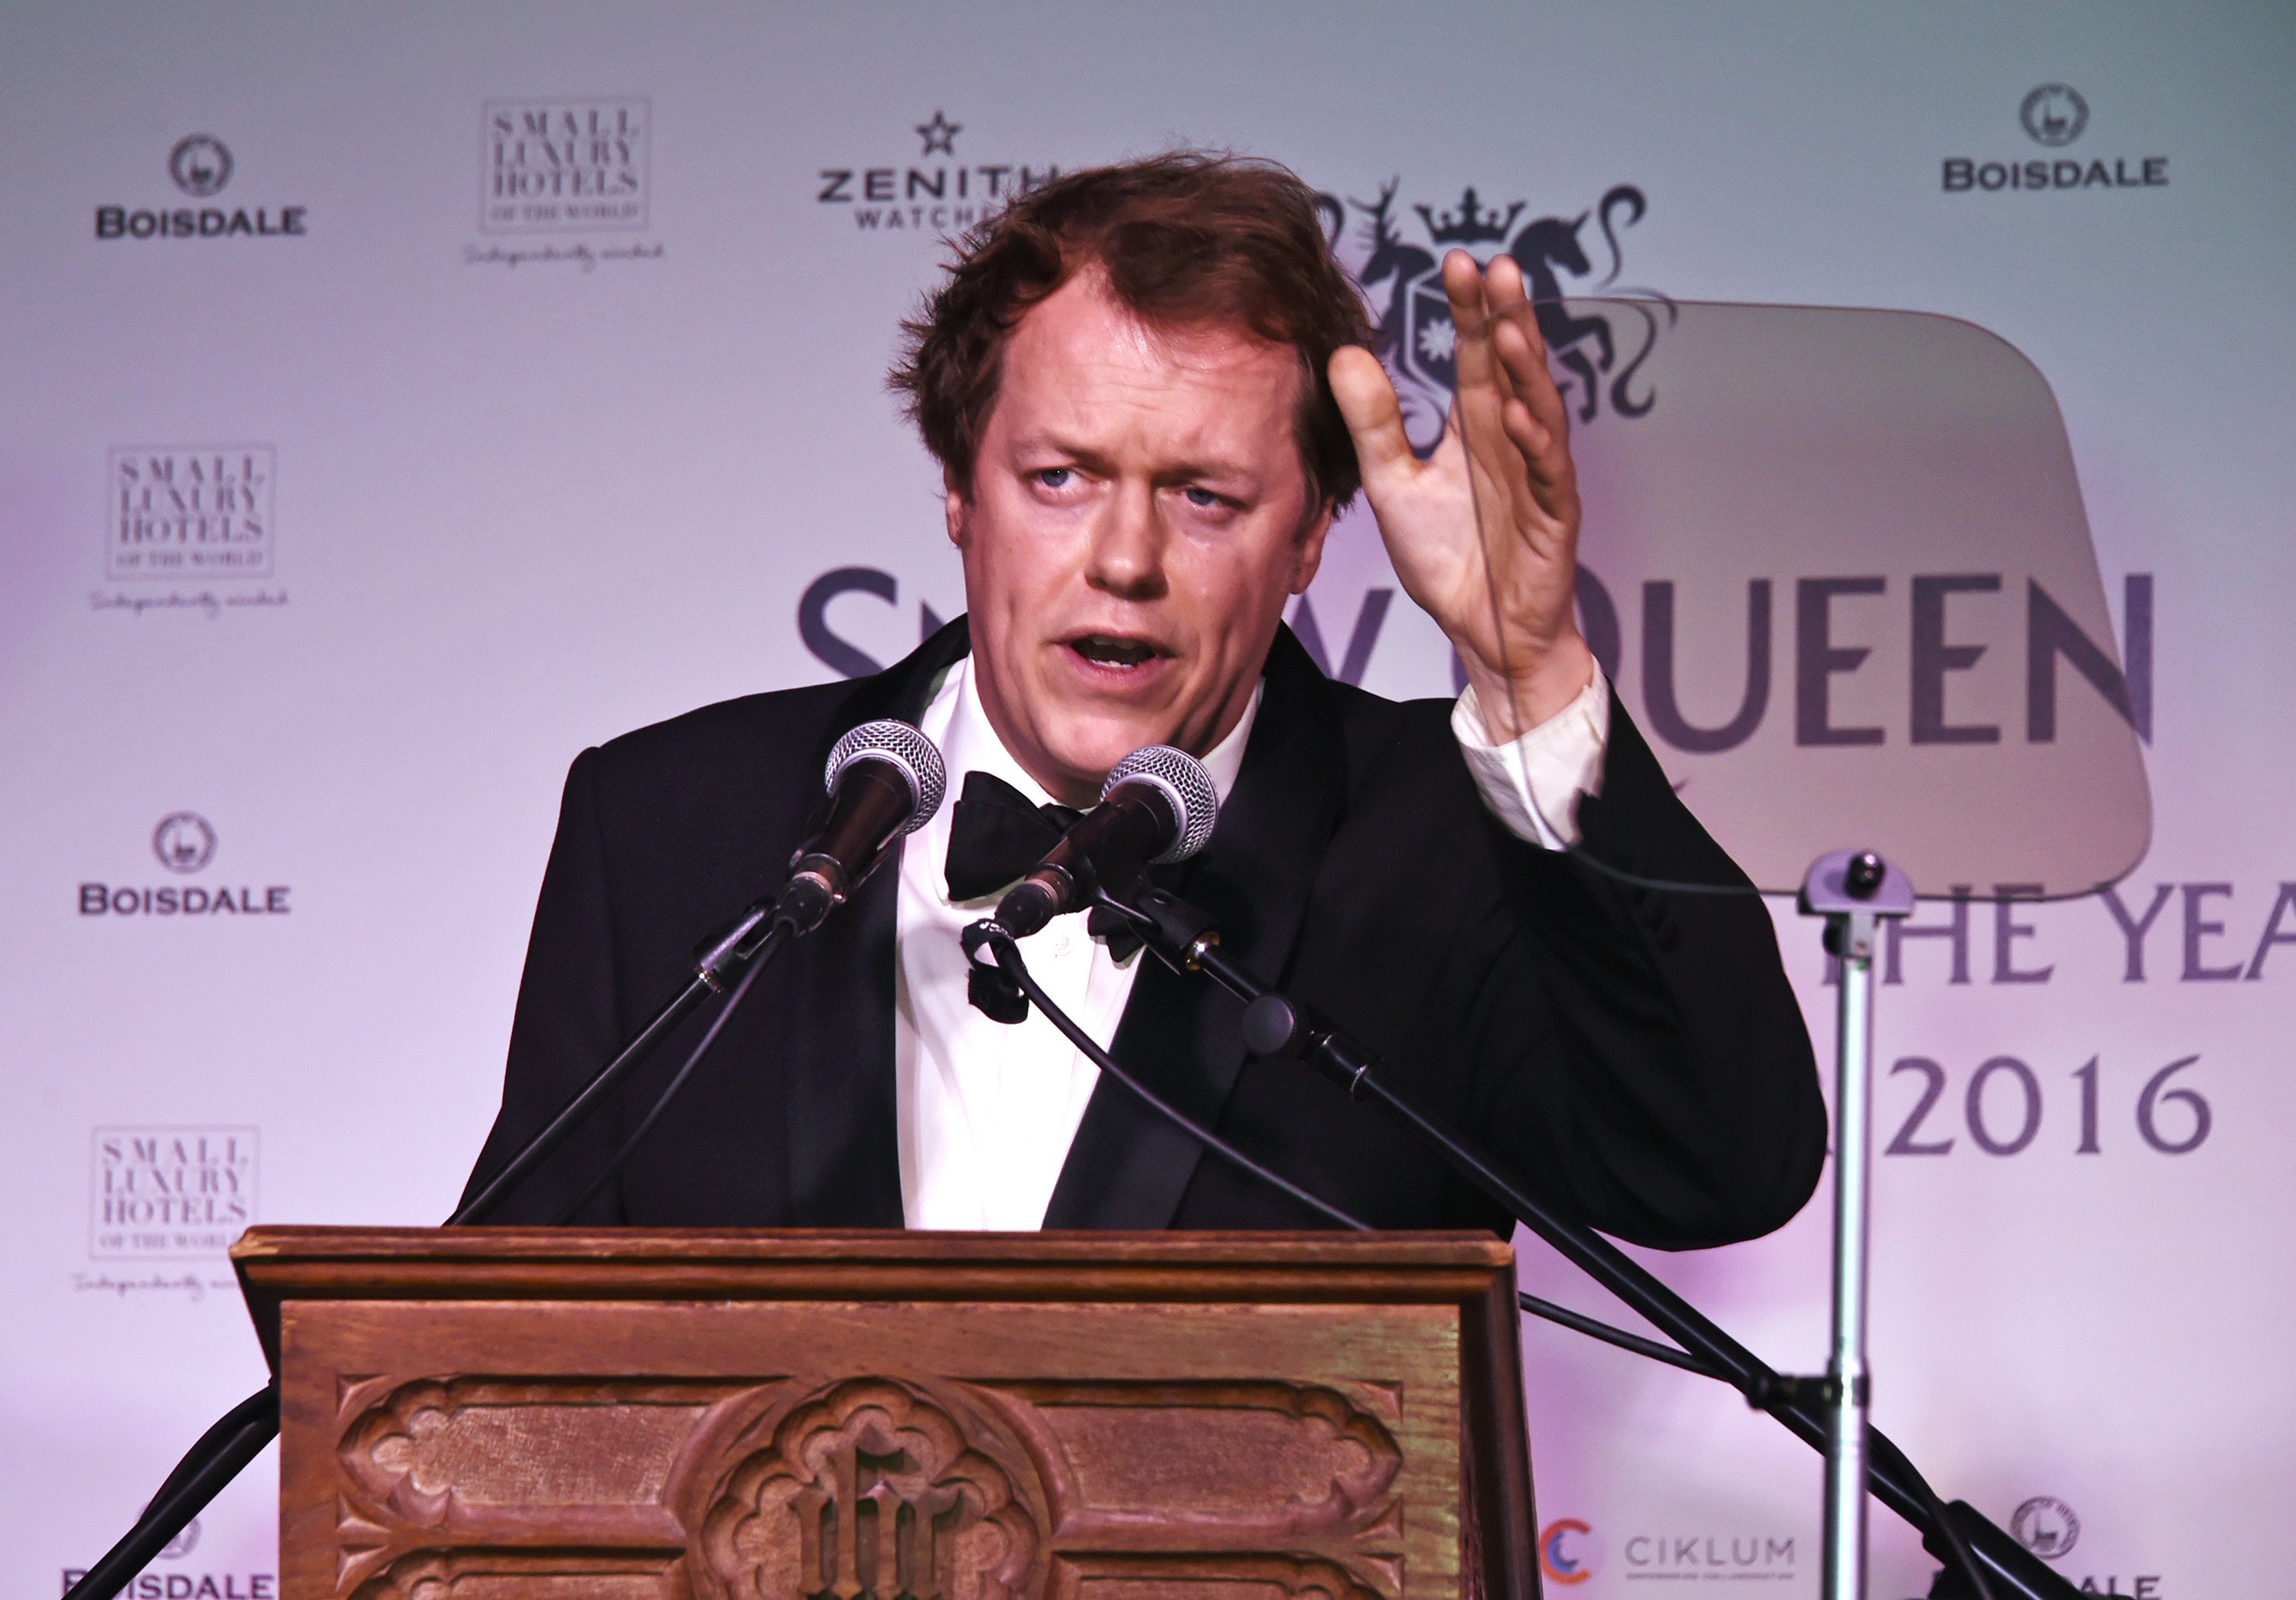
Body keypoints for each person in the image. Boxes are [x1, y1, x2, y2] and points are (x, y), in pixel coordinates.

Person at [462, 152, 1824, 1246]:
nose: (1125, 559)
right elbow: (498, 1356)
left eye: (1205, 497)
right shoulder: (667, 826)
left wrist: (1528, 672)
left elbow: (1716, 1170)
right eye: (1061, 478)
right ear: (957, 489)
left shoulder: (1439, 847)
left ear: (1310, 538)